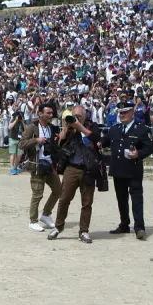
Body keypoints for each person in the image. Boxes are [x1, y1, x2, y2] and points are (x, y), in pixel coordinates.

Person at [47, 105, 101, 244]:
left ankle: (84, 231)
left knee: (87, 202)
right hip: (71, 168)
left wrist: (80, 127)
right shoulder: (69, 129)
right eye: (74, 116)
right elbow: (59, 144)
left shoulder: (92, 126)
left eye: (79, 117)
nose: (76, 119)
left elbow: (95, 138)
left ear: (85, 117)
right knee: (64, 199)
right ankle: (58, 227)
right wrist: (66, 127)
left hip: (88, 169)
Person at [102, 100, 153, 240]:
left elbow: (149, 147)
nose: (122, 115)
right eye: (120, 112)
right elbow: (103, 141)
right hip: (118, 169)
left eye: (125, 112)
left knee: (136, 199)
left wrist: (139, 154)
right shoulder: (114, 129)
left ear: (132, 113)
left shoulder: (141, 129)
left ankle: (139, 227)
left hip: (133, 169)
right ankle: (124, 224)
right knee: (121, 199)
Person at [19, 103, 61, 231]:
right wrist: (36, 140)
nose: (50, 115)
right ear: (40, 114)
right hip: (37, 164)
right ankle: (33, 221)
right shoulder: (31, 128)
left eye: (51, 113)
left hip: (50, 164)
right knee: (38, 194)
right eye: (48, 113)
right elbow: (21, 144)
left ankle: (46, 214)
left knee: (58, 190)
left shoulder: (52, 128)